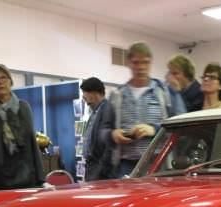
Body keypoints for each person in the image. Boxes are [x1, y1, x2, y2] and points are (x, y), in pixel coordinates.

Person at [107, 42, 185, 178]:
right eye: (136, 62)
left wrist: (155, 129)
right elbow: (103, 129)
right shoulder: (117, 95)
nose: (141, 67)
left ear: (151, 63)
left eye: (145, 62)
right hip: (125, 166)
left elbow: (182, 124)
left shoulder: (166, 92)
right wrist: (112, 134)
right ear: (128, 63)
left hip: (158, 164)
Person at [0, 63, 44, 191]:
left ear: (10, 81)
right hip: (0, 175)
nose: (0, 82)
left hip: (27, 171)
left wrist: (41, 175)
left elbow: (32, 142)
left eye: (4, 77)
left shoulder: (24, 106)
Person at [79, 76, 115, 181]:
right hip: (92, 166)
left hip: (99, 169)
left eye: (85, 92)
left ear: (94, 93)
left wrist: (101, 171)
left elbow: (109, 145)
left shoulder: (107, 109)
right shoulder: (95, 112)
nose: (83, 96)